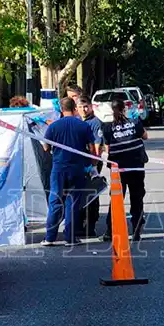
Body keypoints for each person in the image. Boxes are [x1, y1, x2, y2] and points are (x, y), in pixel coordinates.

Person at [42, 97, 96, 246]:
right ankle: (70, 238)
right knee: (72, 202)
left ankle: (50, 237)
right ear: (74, 108)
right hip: (77, 168)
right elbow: (92, 149)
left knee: (55, 200)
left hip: (59, 168)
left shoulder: (53, 127)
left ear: (61, 109)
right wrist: (92, 165)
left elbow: (46, 147)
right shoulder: (83, 126)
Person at [101, 98, 148, 242]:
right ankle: (137, 230)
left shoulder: (107, 127)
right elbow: (145, 136)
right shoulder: (135, 122)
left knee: (116, 200)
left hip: (118, 169)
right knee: (137, 198)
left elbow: (108, 148)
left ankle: (110, 231)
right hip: (136, 166)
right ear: (124, 109)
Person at [76, 94, 104, 237]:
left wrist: (93, 166)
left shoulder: (95, 123)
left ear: (91, 107)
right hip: (79, 164)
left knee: (92, 194)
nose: (84, 109)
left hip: (91, 164)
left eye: (86, 106)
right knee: (80, 193)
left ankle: (91, 224)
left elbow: (97, 147)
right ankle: (80, 223)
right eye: (80, 107)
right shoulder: (76, 120)